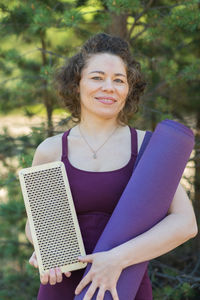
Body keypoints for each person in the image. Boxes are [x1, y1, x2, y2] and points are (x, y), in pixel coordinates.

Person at [25, 33, 198, 300]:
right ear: (76, 84)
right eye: (97, 77)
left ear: (129, 90)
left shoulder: (148, 148)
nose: (109, 87)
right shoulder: (51, 150)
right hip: (61, 286)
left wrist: (116, 259)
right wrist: (44, 246)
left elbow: (185, 224)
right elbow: (35, 222)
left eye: (119, 80)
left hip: (124, 285)